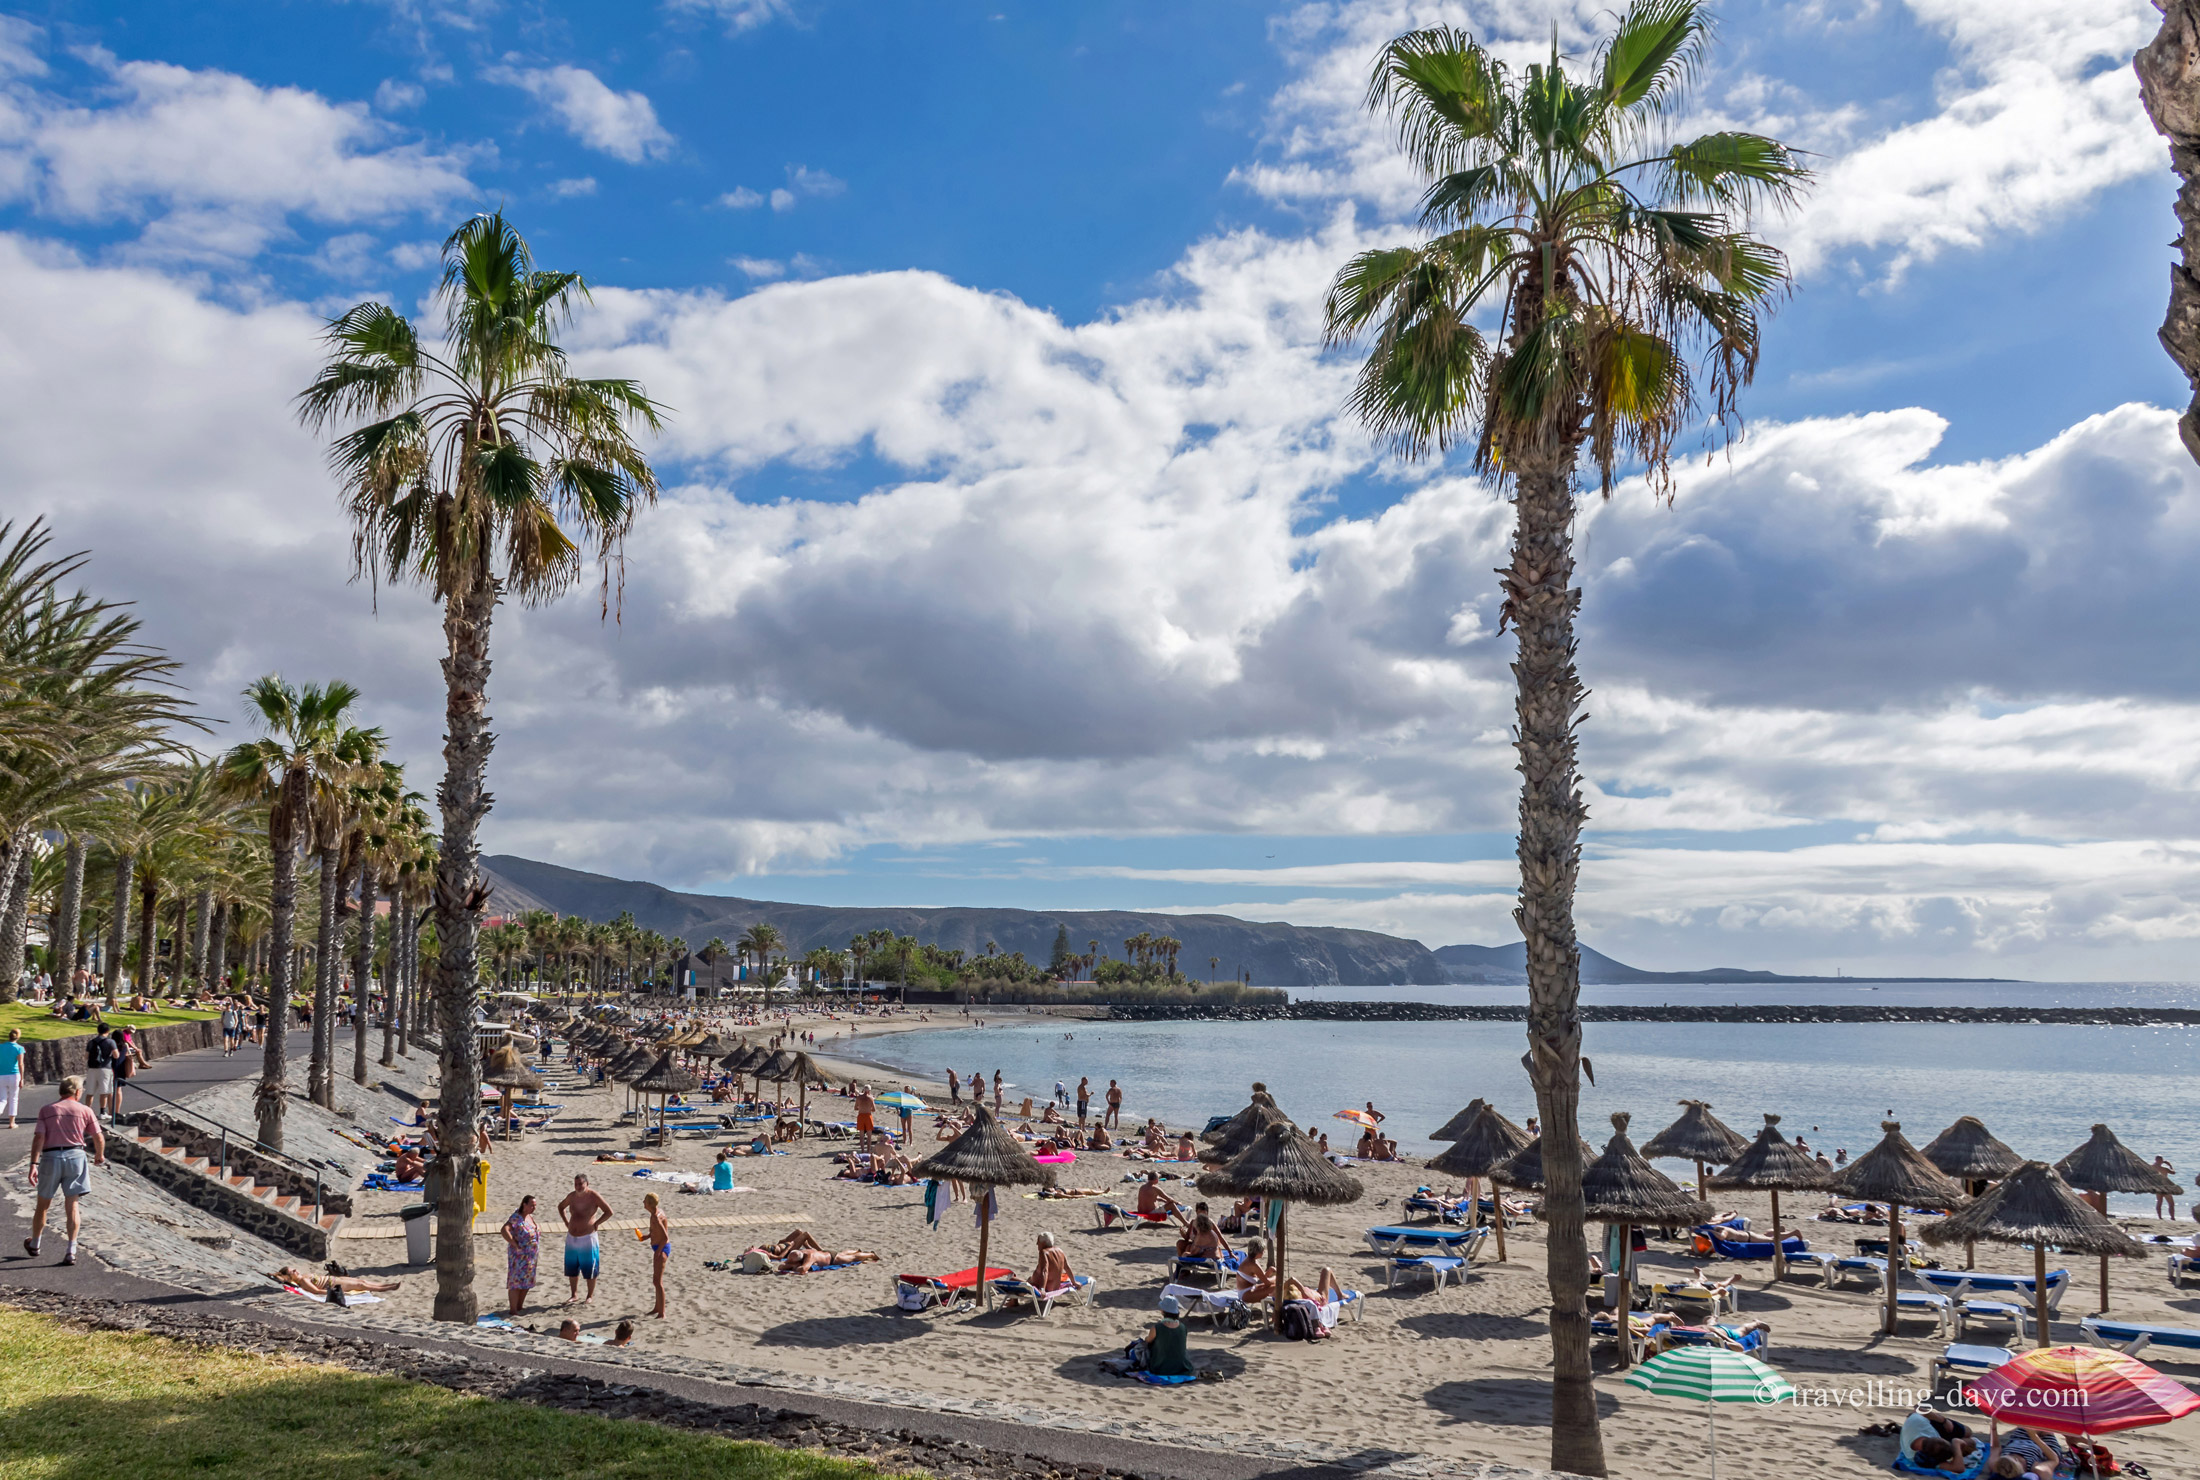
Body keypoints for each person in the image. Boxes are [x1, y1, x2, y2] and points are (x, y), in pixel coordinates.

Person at [25, 1075, 104, 1265]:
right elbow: (98, 1137)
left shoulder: (47, 1110)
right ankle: (71, 1250)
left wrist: (34, 1164)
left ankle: (35, 1244)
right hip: (76, 1157)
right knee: (73, 1204)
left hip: (51, 1157)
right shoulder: (85, 1110)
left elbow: (39, 1138)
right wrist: (99, 1155)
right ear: (77, 1092)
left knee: (43, 1204)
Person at [558, 1173, 613, 1303]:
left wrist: (597, 1223)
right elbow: (560, 1207)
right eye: (576, 1184)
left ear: (587, 1184)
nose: (578, 1186)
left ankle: (589, 1295)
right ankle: (574, 1294)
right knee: (572, 1267)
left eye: (580, 1184)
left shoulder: (593, 1196)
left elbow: (609, 1211)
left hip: (588, 1237)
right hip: (572, 1236)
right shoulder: (571, 1196)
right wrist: (566, 1221)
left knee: (590, 1267)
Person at [1141, 1294, 1196, 1378]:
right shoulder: (1182, 1327)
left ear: (1163, 1311)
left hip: (1160, 1368)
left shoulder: (1157, 1328)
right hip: (1181, 1367)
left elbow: (1148, 1341)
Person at [503, 1195, 539, 1315]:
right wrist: (514, 1243)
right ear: (524, 1204)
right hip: (519, 1256)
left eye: (535, 1205)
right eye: (531, 1205)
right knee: (516, 1282)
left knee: (527, 1282)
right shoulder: (516, 1217)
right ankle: (513, 1309)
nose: (533, 1208)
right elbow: (504, 1230)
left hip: (531, 1256)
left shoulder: (530, 1217)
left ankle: (519, 1306)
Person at [643, 1191, 671, 1318]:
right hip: (658, 1247)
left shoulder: (655, 1217)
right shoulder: (657, 1212)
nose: (643, 1203)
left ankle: (662, 1312)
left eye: (645, 1201)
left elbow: (665, 1237)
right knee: (656, 1281)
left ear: (649, 1204)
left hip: (662, 1248)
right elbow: (656, 1231)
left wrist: (658, 1252)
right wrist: (647, 1236)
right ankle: (657, 1307)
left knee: (658, 1281)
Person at [82, 1026, 118, 1120]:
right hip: (105, 1068)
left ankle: (87, 1113)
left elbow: (86, 1056)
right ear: (107, 1031)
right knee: (104, 1091)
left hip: (92, 1068)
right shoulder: (110, 1042)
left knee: (90, 1091)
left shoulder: (91, 1042)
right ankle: (102, 1112)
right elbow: (116, 1055)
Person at [0, 1027, 22, 1130]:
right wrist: (22, 1078)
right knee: (14, 1098)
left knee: (2, 1099)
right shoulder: (19, 1048)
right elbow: (21, 1064)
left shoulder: (1, 1047)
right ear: (18, 1037)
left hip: (2, 1075)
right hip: (14, 1075)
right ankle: (11, 1123)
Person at [853, 1083, 876, 1152]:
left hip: (861, 1115)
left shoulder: (859, 1098)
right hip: (868, 1115)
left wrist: (861, 1108)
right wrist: (868, 1108)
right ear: (869, 1091)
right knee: (869, 1135)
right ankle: (868, 1150)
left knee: (861, 1135)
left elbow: (855, 1108)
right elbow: (874, 1109)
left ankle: (863, 1150)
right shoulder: (871, 1098)